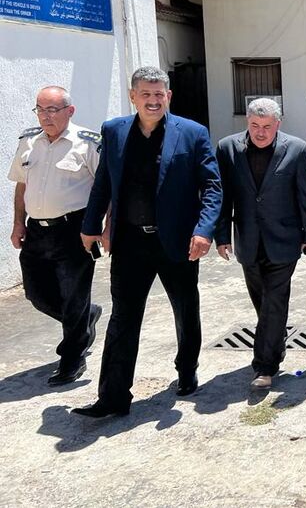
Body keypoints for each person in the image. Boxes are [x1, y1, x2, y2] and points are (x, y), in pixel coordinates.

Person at [74, 67, 222, 418]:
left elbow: (212, 186)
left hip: (178, 243)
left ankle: (186, 369)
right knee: (123, 318)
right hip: (130, 243)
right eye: (146, 94)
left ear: (168, 96)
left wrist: (204, 230)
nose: (153, 101)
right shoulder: (114, 131)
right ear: (133, 96)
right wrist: (91, 225)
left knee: (185, 309)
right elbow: (103, 182)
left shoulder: (192, 133)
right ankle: (113, 396)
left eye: (159, 94)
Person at [215, 98, 306, 389]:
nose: (260, 132)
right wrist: (221, 236)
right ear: (246, 122)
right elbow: (223, 196)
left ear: (278, 124)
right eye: (254, 126)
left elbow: (304, 195)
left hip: (284, 240)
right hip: (248, 240)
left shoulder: (296, 148)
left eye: (267, 127)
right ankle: (275, 341)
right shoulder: (227, 148)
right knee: (262, 302)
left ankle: (264, 366)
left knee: (274, 300)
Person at [8, 86, 103, 386]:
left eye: (52, 110)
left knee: (74, 295)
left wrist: (101, 228)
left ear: (69, 111)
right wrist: (18, 223)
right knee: (36, 294)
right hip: (36, 229)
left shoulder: (88, 143)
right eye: (40, 109)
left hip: (73, 229)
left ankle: (72, 358)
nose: (45, 116)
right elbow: (21, 185)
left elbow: (106, 189)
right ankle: (87, 317)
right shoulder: (28, 142)